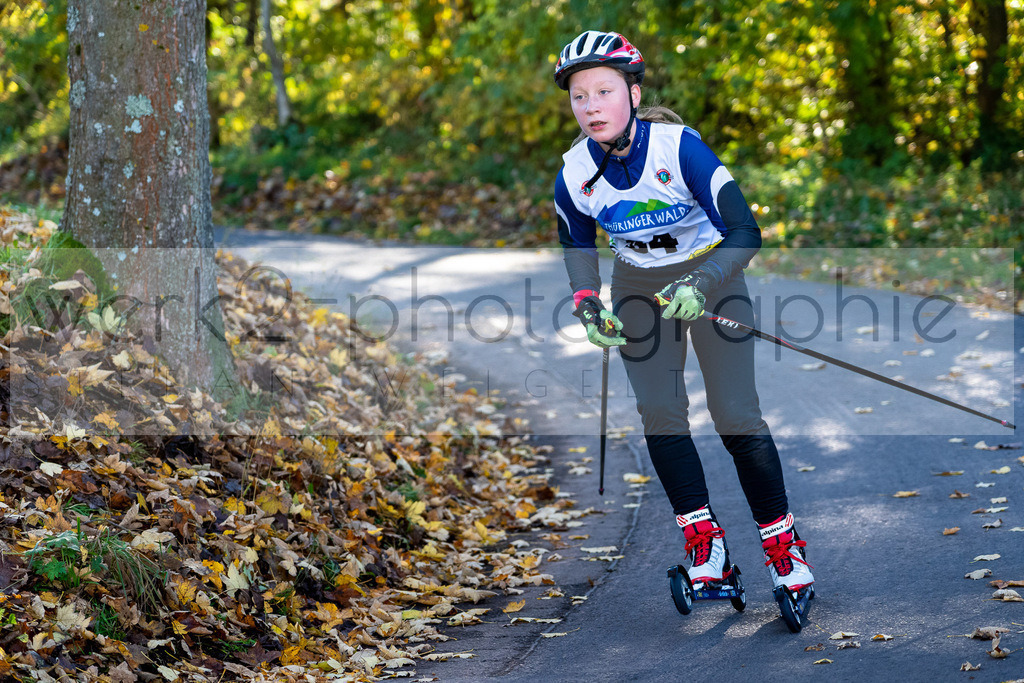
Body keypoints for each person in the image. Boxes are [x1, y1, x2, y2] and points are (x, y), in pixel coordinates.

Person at [552, 30, 814, 607]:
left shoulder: (680, 150)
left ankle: (784, 550)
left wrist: (702, 281)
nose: (590, 106)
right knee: (662, 413)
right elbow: (577, 244)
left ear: (634, 92)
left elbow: (745, 230)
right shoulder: (574, 172)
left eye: (603, 91)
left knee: (736, 415)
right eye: (578, 96)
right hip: (637, 287)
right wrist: (588, 302)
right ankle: (706, 546)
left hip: (711, 277)